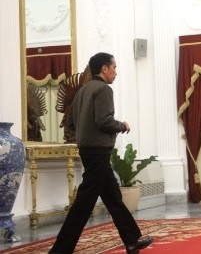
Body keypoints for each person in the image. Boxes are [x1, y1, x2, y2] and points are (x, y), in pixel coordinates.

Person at [49, 52, 153, 254]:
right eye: (114, 67)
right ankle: (59, 250)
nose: (116, 72)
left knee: (113, 198)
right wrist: (122, 125)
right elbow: (104, 121)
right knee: (84, 204)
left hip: (88, 150)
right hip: (98, 151)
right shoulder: (103, 89)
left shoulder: (82, 91)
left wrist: (84, 129)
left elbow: (70, 123)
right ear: (104, 68)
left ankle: (132, 240)